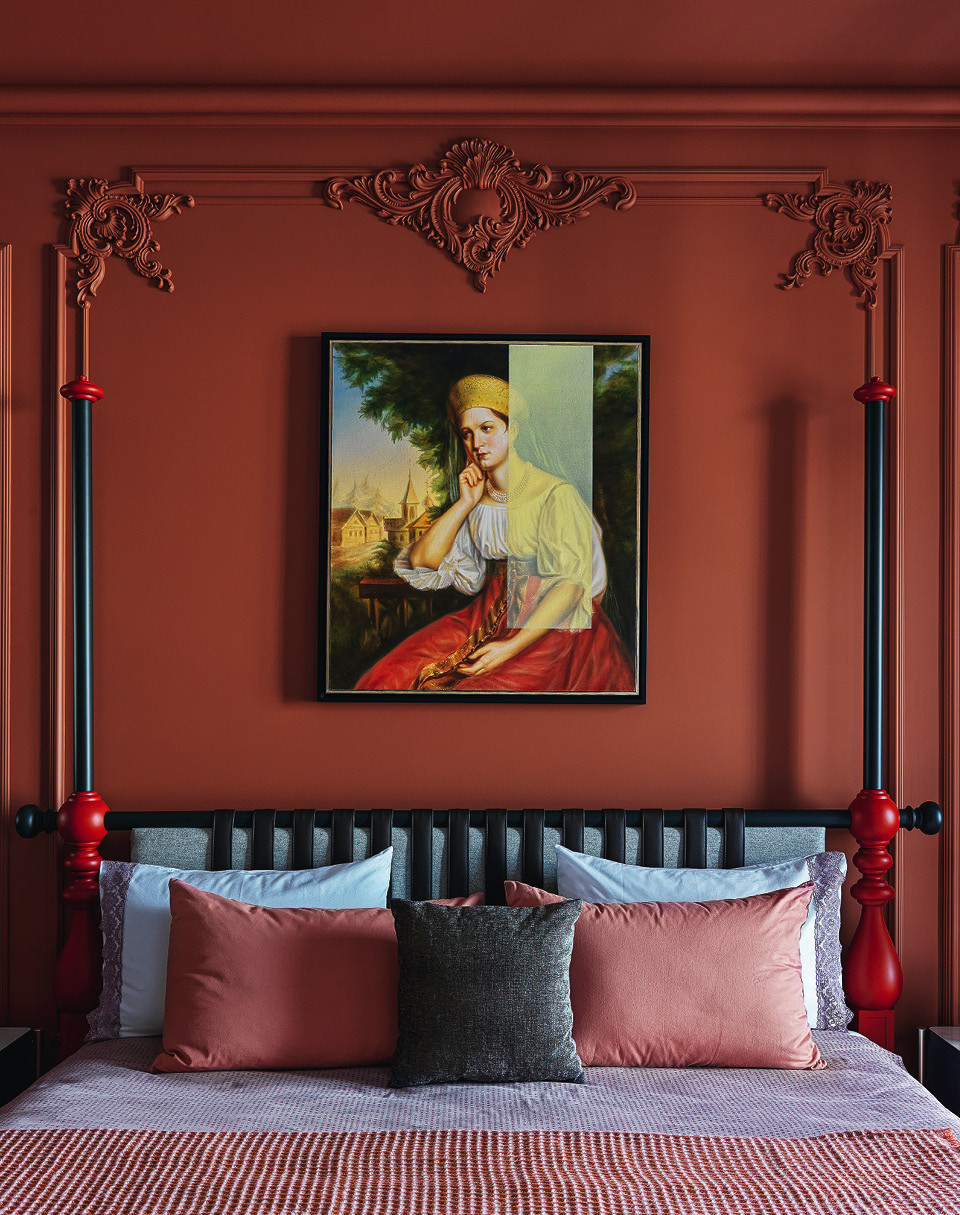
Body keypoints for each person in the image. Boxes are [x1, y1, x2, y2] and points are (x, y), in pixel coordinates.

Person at [355, 373, 635, 692]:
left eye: (486, 428)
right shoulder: (477, 501)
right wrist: (465, 503)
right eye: (467, 433)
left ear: (511, 431)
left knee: (476, 693)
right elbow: (422, 561)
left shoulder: (555, 495)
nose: (476, 444)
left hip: (551, 627)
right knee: (390, 676)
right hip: (483, 618)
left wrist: (509, 648)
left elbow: (571, 587)